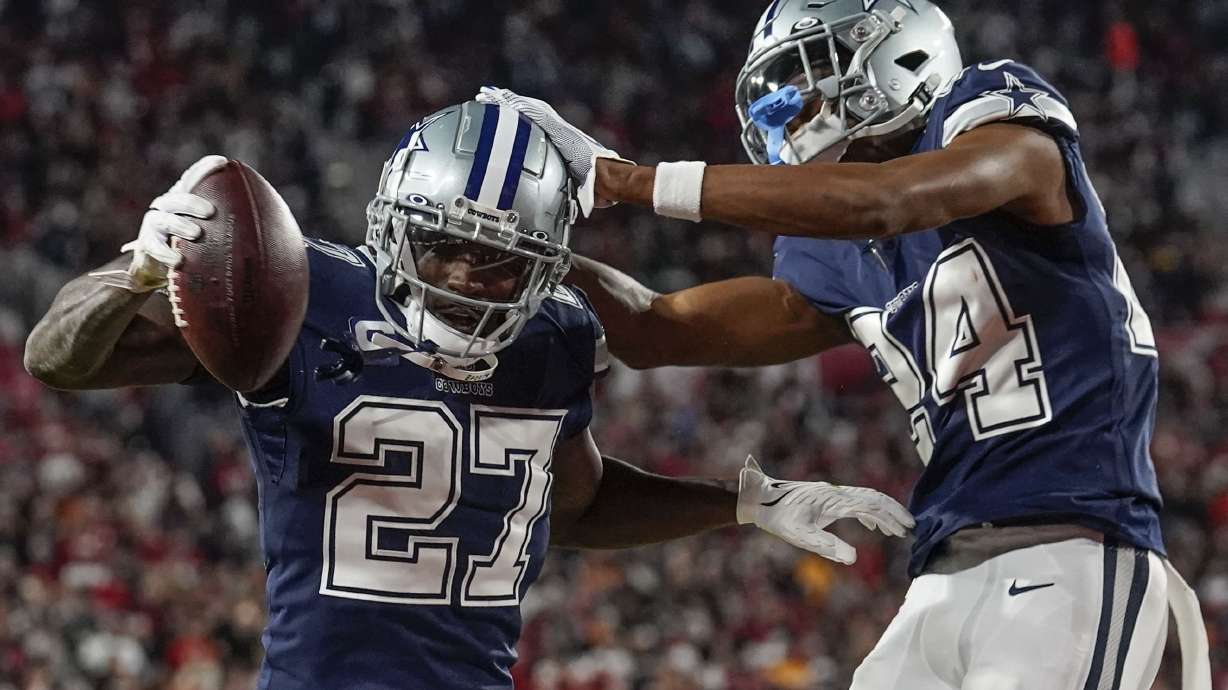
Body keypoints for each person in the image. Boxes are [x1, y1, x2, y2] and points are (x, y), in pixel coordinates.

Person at [22, 101, 914, 690]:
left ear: (545, 266)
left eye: (500, 260)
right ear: (392, 227)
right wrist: (134, 272)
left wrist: (742, 505)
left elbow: (577, 505)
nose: (463, 275)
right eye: (443, 244)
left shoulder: (557, 336)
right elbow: (60, 357)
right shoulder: (306, 294)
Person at [478, 1, 1212, 688]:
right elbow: (657, 327)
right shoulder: (833, 254)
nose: (787, 112)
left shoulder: (991, 116)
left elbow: (890, 199)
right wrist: (510, 237)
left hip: (1078, 546)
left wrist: (630, 181)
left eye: (804, 78)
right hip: (944, 572)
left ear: (896, 52)